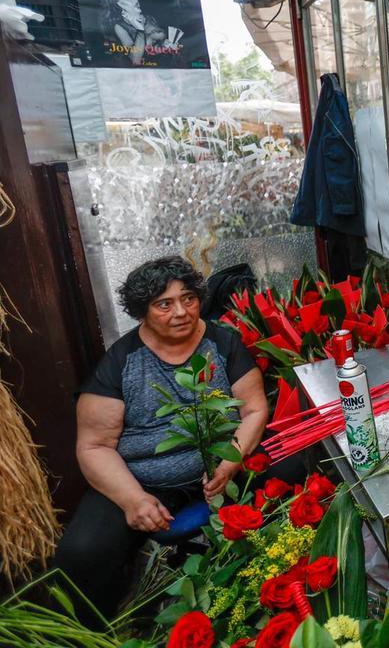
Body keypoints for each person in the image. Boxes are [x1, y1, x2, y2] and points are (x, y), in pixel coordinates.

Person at [54, 256, 269, 618]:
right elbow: (94, 446)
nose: (182, 312)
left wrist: (231, 459)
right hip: (142, 479)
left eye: (188, 299)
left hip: (221, 461)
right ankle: (101, 631)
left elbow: (254, 410)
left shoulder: (223, 343)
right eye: (164, 304)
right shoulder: (122, 361)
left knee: (297, 465)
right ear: (142, 312)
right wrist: (132, 499)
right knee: (81, 553)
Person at [102, 0, 183, 67]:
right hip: (145, 74)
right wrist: (140, 29)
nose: (136, 0)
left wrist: (167, 46)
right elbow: (135, 60)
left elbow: (160, 46)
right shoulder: (119, 27)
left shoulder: (150, 18)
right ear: (118, 5)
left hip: (168, 68)